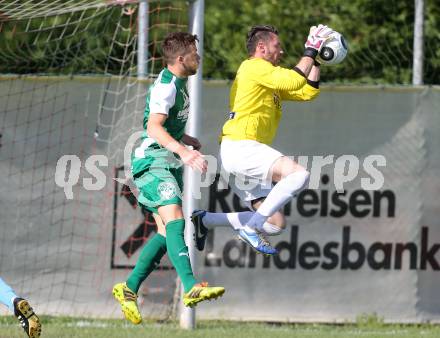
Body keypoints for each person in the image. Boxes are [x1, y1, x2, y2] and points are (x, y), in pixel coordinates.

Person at [112, 32, 225, 325]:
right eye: (194, 54)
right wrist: (182, 150)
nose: (198, 58)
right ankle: (190, 287)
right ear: (180, 59)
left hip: (167, 159)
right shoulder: (166, 86)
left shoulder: (179, 83)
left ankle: (128, 289)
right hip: (152, 161)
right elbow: (152, 127)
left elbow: (162, 123)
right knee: (176, 217)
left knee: (165, 233)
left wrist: (184, 139)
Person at [192, 24, 333, 255]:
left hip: (240, 153)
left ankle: (206, 220)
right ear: (261, 47)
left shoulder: (267, 78)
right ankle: (252, 227)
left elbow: (307, 91)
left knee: (275, 224)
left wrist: (316, 59)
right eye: (277, 46)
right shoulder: (254, 67)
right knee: (299, 175)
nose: (282, 51)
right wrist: (310, 48)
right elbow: (293, 80)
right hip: (241, 147)